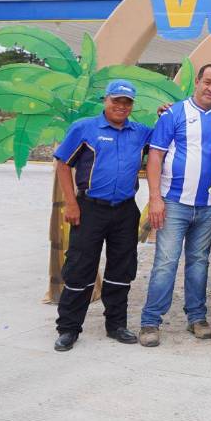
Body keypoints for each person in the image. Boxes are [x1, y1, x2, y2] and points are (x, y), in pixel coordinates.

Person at [52, 80, 152, 351]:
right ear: (105, 100)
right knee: (79, 268)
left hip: (125, 210)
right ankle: (69, 329)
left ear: (132, 105)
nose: (121, 106)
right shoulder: (85, 128)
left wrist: (166, 113)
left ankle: (116, 325)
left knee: (122, 269)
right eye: (116, 100)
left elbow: (164, 144)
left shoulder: (141, 132)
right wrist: (71, 204)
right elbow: (62, 165)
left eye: (127, 102)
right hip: (89, 209)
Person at [138, 64, 211, 347]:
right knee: (165, 262)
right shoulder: (174, 113)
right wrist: (155, 198)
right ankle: (150, 321)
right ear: (197, 82)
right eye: (208, 82)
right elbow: (155, 157)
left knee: (199, 262)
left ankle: (196, 318)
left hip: (210, 204)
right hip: (173, 202)